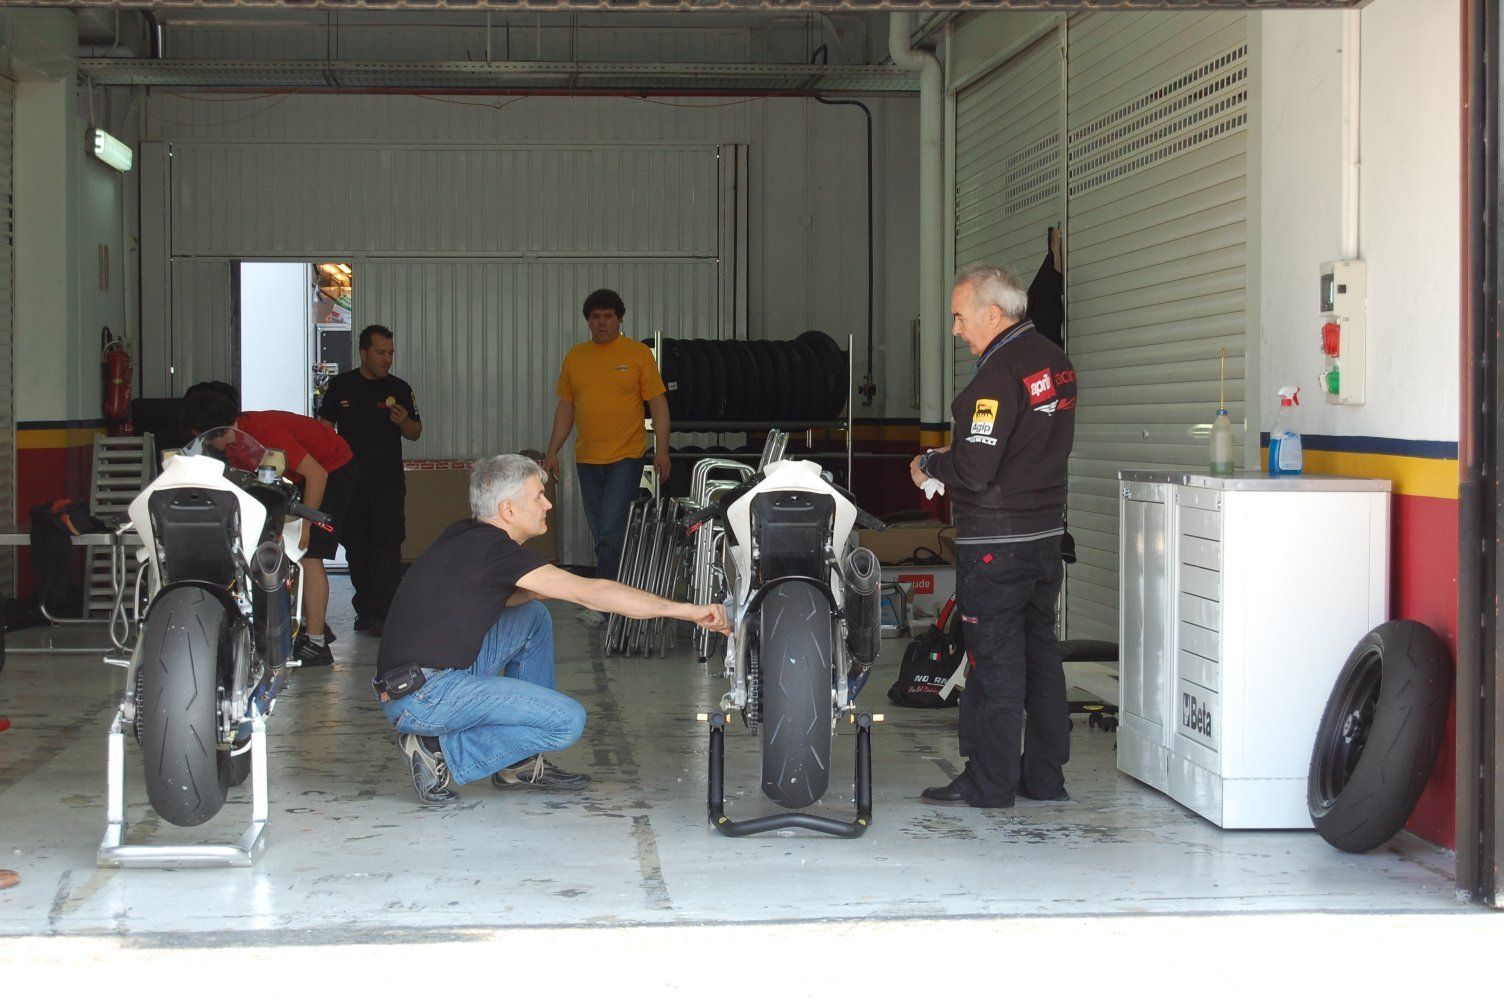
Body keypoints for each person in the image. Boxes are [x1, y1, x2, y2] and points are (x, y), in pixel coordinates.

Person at [375, 454, 728, 805]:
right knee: (565, 722)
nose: (547, 504)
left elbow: (490, 596)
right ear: (508, 510)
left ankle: (519, 765)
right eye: (538, 496)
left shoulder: (466, 535)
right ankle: (435, 748)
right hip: (423, 698)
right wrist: (688, 611)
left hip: (412, 683)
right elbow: (594, 593)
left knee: (531, 617)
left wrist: (537, 589)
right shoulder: (497, 552)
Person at [909, 262, 1078, 808]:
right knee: (1041, 658)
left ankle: (990, 782)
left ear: (993, 313)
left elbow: (975, 469)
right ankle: (1044, 778)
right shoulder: (1056, 362)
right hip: (1046, 538)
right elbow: (1025, 445)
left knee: (993, 666)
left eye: (960, 317)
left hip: (997, 547)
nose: (955, 329)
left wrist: (930, 464)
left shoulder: (997, 376)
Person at [181, 388, 357, 667]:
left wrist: (307, 525)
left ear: (214, 429)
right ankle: (311, 623)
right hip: (303, 475)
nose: (206, 444)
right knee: (287, 546)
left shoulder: (266, 433)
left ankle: (317, 643)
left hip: (333, 469)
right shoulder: (235, 443)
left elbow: (317, 474)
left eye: (203, 436)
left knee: (309, 553)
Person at [544, 289, 672, 625]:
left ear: (619, 319)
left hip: (626, 457)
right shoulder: (576, 357)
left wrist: (661, 450)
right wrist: (552, 451)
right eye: (596, 317)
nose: (602, 323)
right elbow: (566, 407)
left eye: (608, 317)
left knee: (612, 532)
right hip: (587, 459)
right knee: (602, 533)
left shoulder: (637, 354)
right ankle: (618, 595)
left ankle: (604, 606)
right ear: (588, 321)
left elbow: (658, 404)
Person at [317, 324, 422, 637]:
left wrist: (404, 422)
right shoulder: (341, 386)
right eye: (380, 352)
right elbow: (323, 427)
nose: (386, 359)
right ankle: (366, 611)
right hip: (351, 483)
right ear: (363, 353)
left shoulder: (399, 388)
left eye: (390, 353)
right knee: (358, 549)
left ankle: (387, 614)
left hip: (388, 483)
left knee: (386, 547)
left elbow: (415, 432)